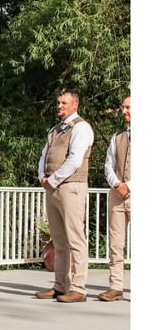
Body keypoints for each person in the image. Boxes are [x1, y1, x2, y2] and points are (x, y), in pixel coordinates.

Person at [35, 89, 94, 303]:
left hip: (71, 187)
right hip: (52, 188)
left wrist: (53, 180)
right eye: (58, 102)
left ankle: (79, 288)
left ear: (74, 105)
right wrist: (42, 176)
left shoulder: (81, 127)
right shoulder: (54, 130)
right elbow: (44, 155)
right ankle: (60, 285)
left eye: (64, 103)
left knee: (75, 238)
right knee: (58, 240)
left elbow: (75, 159)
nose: (59, 106)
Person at [100, 95, 131, 301]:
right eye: (123, 107)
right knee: (115, 243)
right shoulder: (117, 136)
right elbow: (108, 164)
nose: (124, 111)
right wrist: (117, 184)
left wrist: (130, 185)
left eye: (128, 107)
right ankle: (116, 286)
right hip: (117, 195)